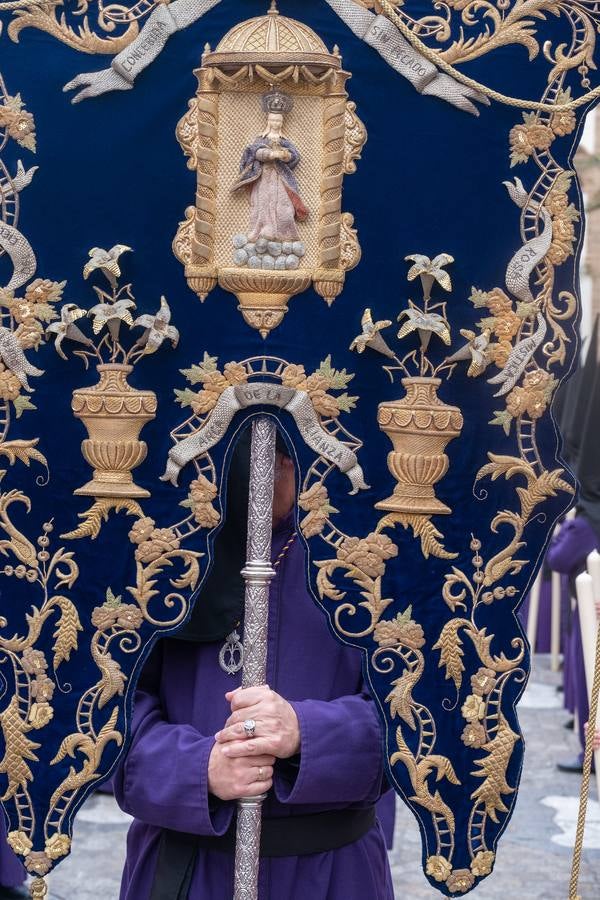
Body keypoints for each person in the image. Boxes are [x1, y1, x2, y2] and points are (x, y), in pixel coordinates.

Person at [115, 433, 394, 899]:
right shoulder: (160, 547)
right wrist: (197, 768)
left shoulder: (370, 555)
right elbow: (103, 707)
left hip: (330, 872)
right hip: (187, 867)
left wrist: (306, 732)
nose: (270, 466)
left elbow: (418, 715)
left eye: (286, 454)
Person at [232, 89, 308, 244]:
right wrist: (268, 154)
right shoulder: (261, 138)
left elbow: (295, 156)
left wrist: (286, 155)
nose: (275, 124)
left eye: (278, 121)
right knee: (262, 206)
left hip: (280, 179)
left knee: (284, 207)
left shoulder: (284, 140)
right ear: (268, 120)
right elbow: (252, 152)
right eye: (273, 120)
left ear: (282, 122)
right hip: (263, 180)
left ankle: (285, 236)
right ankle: (262, 234)